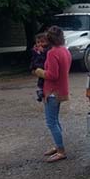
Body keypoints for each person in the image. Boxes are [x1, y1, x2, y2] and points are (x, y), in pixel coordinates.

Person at [33, 26, 72, 163]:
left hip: (52, 92)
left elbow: (53, 75)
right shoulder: (65, 51)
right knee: (55, 120)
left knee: (51, 122)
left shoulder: (52, 53)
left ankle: (61, 151)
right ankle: (58, 145)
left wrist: (39, 72)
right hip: (61, 90)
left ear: (49, 39)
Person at [30, 33, 50, 102]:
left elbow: (46, 58)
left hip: (44, 67)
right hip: (37, 67)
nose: (40, 44)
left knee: (44, 80)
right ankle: (40, 91)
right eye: (38, 42)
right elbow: (33, 59)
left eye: (42, 42)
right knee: (40, 81)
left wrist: (43, 52)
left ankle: (42, 92)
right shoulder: (34, 50)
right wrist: (32, 68)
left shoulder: (47, 50)